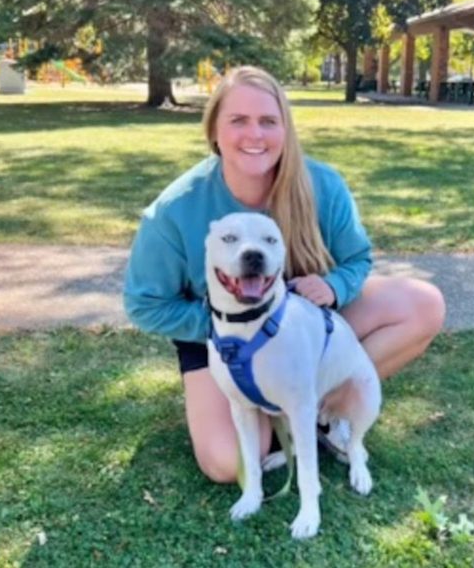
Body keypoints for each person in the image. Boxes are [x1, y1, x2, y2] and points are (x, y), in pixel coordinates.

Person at [124, 65, 445, 483]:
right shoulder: (174, 211)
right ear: (214, 131)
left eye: (268, 121)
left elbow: (357, 259)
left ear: (286, 129)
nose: (254, 135)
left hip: (306, 324)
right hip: (222, 341)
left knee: (422, 305)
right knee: (229, 464)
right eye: (238, 120)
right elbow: (144, 304)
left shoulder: (322, 185)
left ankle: (321, 416)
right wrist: (226, 325)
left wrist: (332, 287)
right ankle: (263, 411)